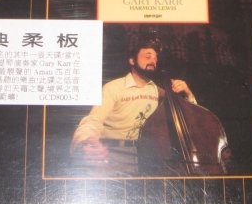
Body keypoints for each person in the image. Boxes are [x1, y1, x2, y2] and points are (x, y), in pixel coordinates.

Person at [70, 40, 197, 176]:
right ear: (132, 60)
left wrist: (188, 94)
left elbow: (190, 116)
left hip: (151, 156)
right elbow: (93, 120)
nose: (153, 61)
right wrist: (85, 143)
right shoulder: (113, 88)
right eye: (147, 56)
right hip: (117, 154)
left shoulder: (159, 92)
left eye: (155, 58)